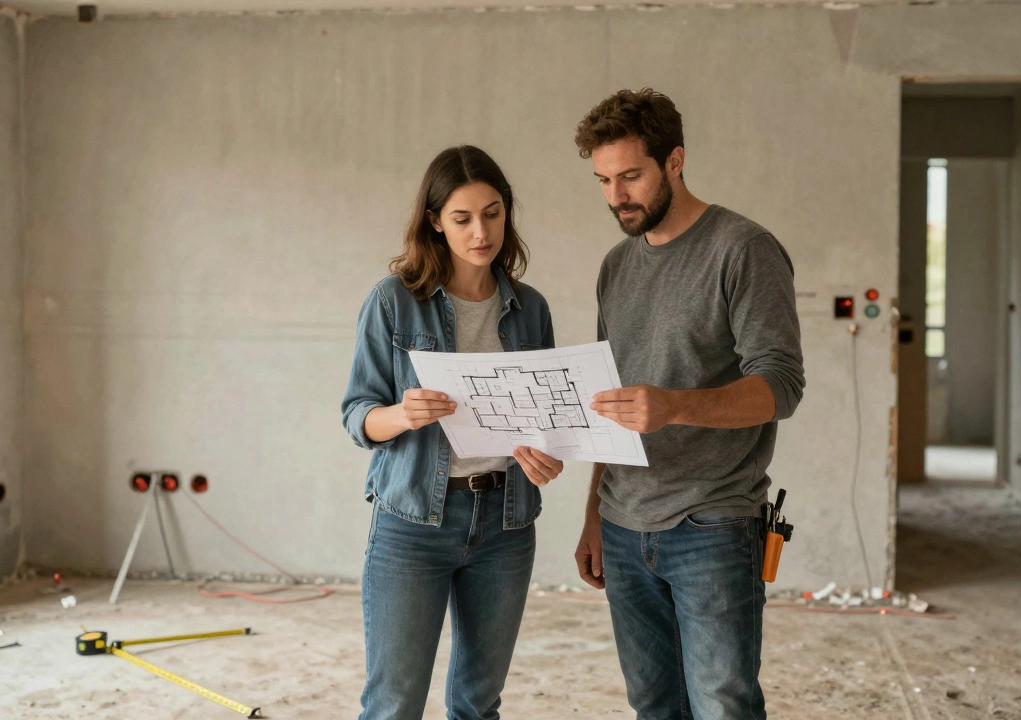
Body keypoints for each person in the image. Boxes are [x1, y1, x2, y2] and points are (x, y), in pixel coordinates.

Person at [571, 88, 805, 719]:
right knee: (654, 707)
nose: (616, 196)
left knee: (722, 707)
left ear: (674, 161)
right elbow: (612, 401)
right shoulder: (616, 267)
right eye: (603, 180)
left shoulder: (743, 249)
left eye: (630, 176)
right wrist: (594, 512)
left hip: (713, 524)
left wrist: (673, 406)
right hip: (623, 526)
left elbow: (781, 385)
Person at [341, 145, 564, 720]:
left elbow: (547, 422)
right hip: (412, 523)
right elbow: (357, 414)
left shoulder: (531, 309)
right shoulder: (393, 301)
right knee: (394, 705)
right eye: (462, 218)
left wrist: (549, 457)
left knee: (478, 704)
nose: (480, 232)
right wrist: (402, 413)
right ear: (435, 221)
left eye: (492, 213)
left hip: (506, 524)